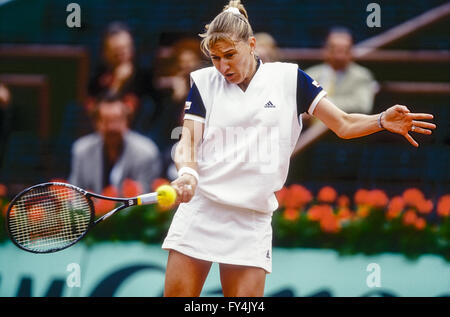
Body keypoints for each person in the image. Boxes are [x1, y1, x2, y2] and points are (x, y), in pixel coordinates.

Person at [162, 0, 436, 297]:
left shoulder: (291, 79)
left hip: (251, 220)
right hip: (201, 210)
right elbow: (188, 140)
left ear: (251, 44)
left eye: (230, 55)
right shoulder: (204, 83)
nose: (223, 66)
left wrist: (381, 120)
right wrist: (188, 172)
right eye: (215, 58)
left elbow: (343, 123)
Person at [69, 95, 162, 195]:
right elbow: (75, 194)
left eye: (116, 120)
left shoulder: (146, 152)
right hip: (91, 210)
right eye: (106, 121)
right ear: (96, 123)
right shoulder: (81, 150)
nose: (112, 127)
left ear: (126, 120)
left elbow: (146, 197)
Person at [86, 22, 162, 134]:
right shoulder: (97, 77)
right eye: (117, 51)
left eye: (126, 48)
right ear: (105, 53)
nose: (123, 54)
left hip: (140, 136)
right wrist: (118, 84)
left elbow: (155, 114)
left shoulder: (144, 76)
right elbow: (95, 116)